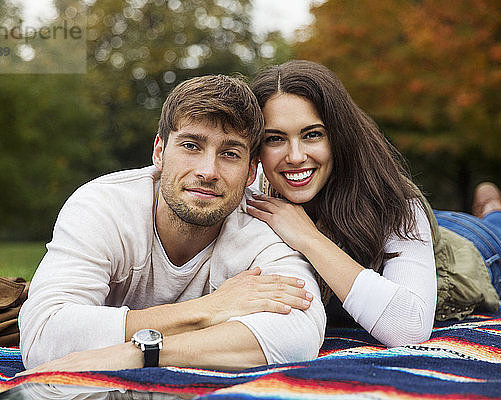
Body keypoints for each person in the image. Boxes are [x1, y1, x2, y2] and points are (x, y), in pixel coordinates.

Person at [18, 74, 326, 373]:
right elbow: (43, 336)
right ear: (160, 152)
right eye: (191, 146)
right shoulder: (103, 206)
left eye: (230, 154)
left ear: (250, 172)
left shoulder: (264, 222)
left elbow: (299, 332)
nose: (208, 171)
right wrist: (209, 309)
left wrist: (142, 353)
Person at [246, 60, 501, 347]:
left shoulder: (395, 202)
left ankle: (496, 209)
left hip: (475, 251)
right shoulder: (251, 192)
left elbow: (410, 328)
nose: (295, 156)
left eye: (313, 134)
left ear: (339, 136)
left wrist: (307, 237)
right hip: (417, 234)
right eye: (275, 139)